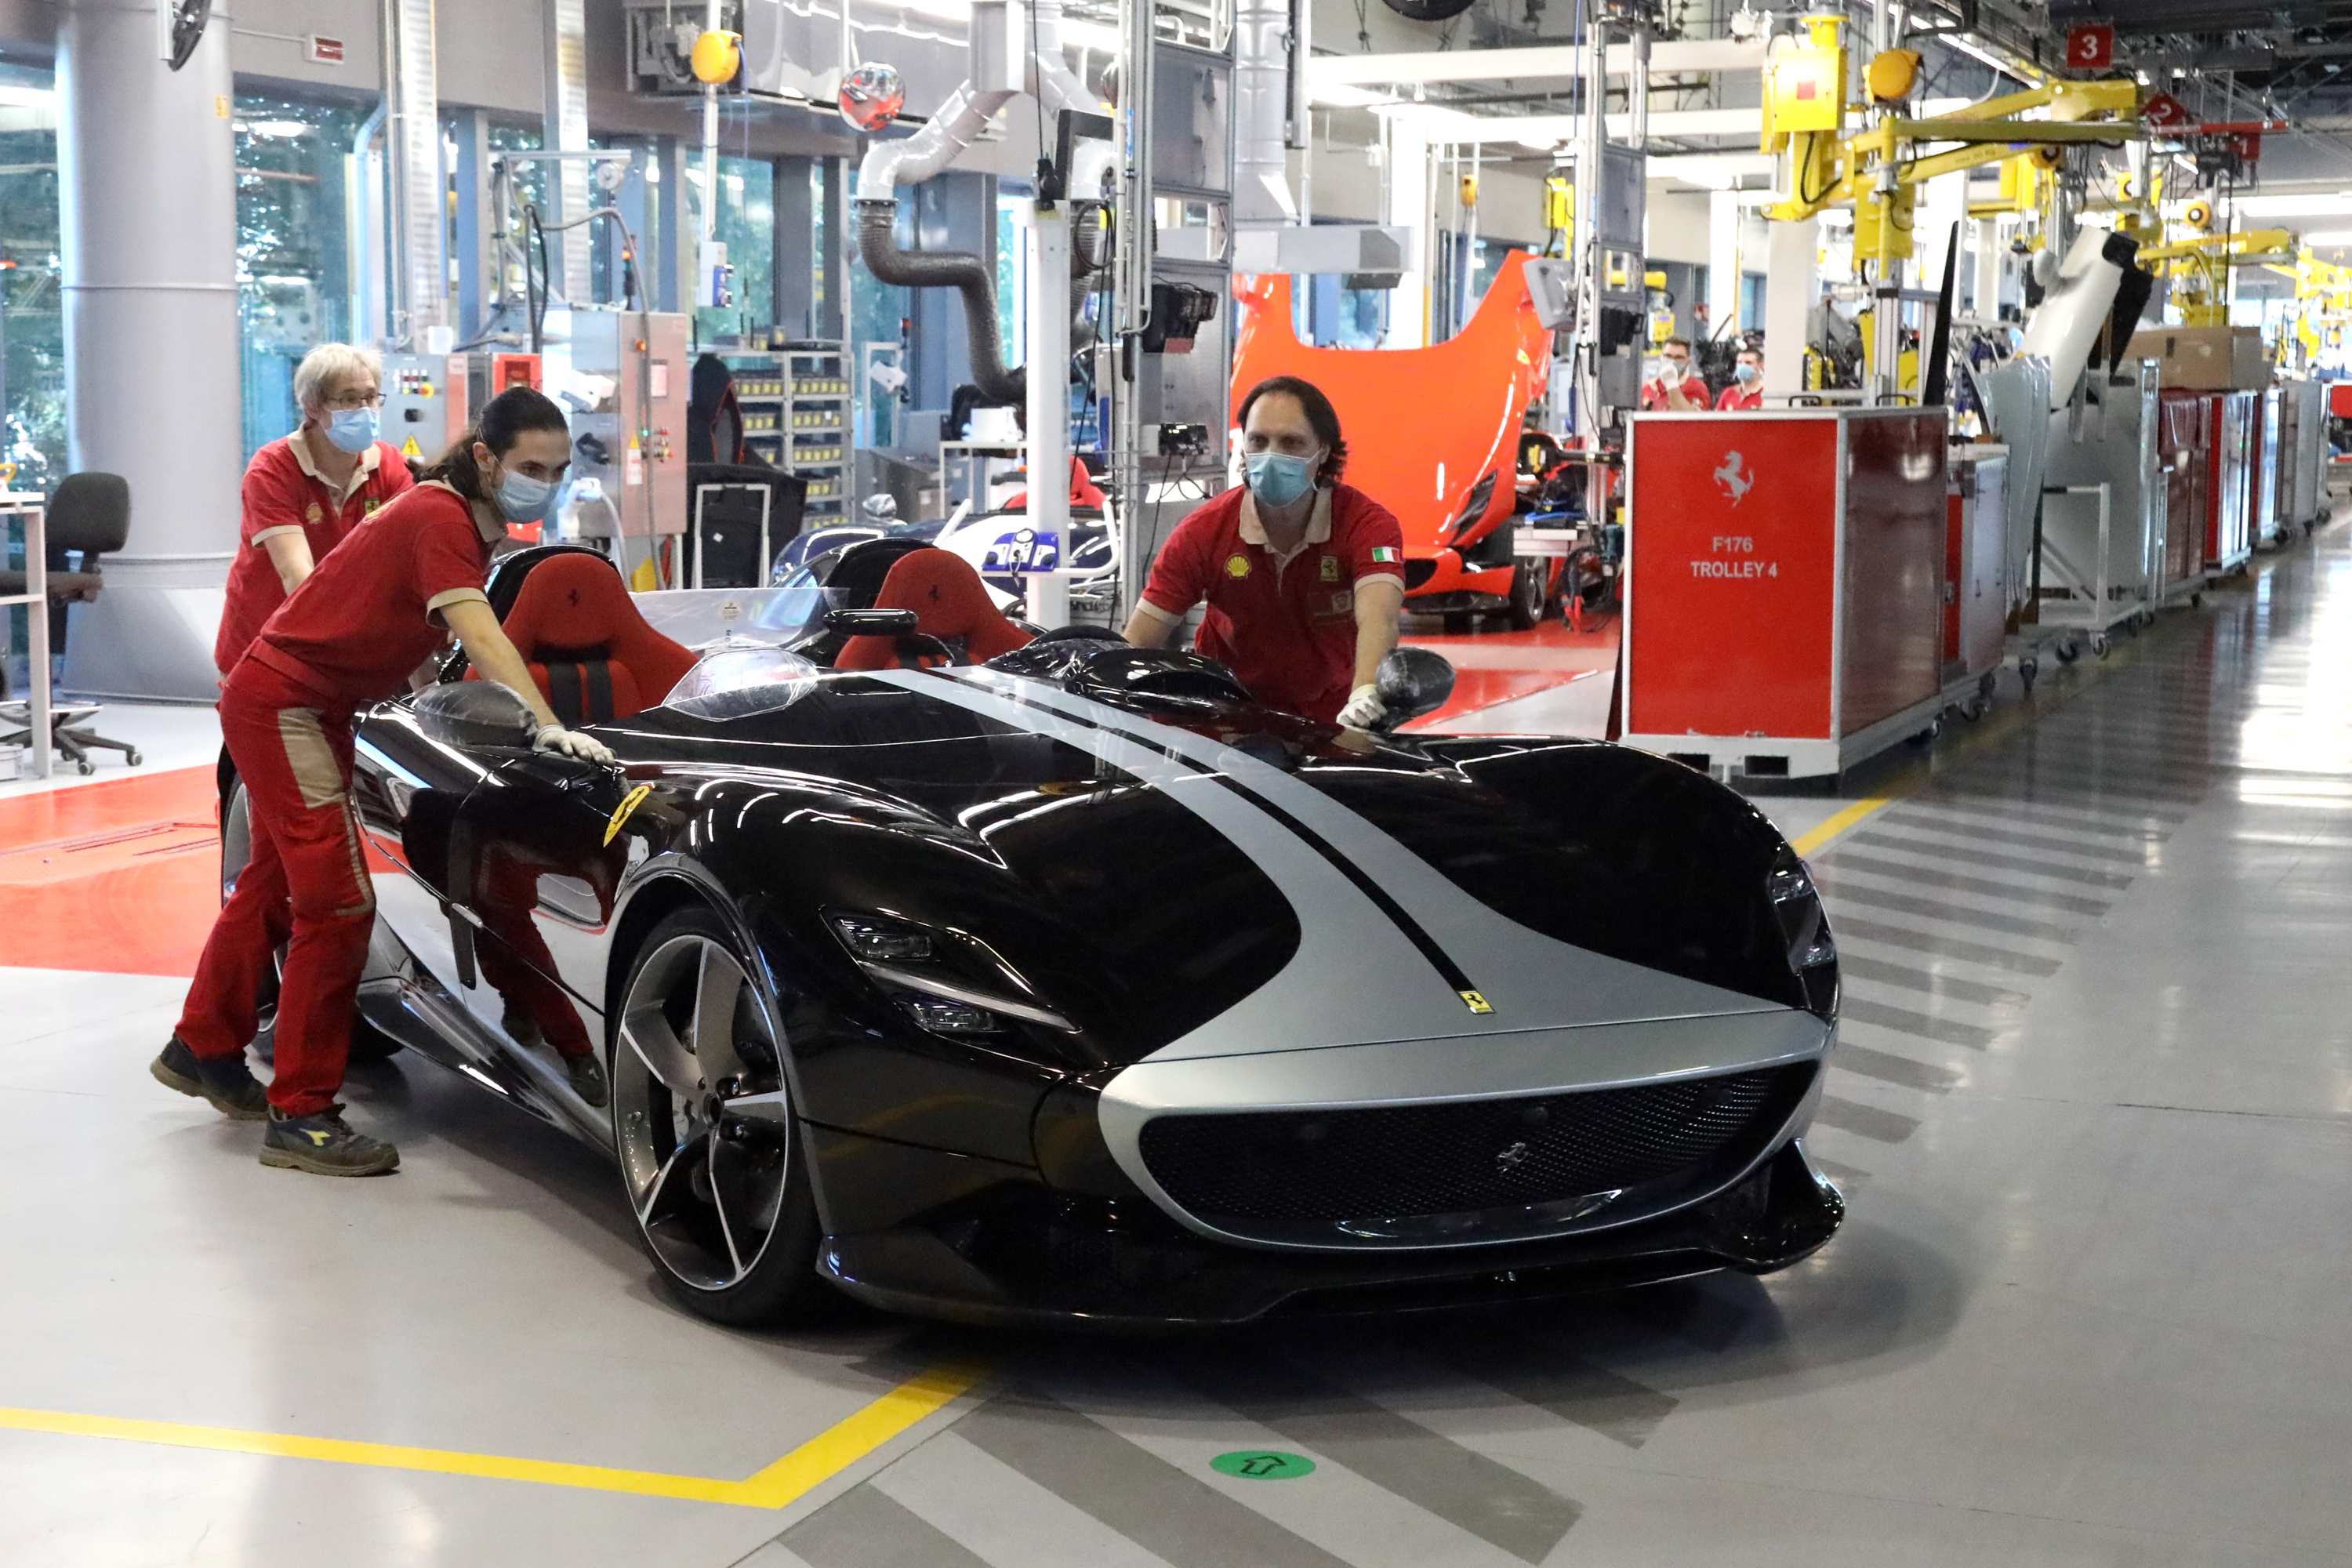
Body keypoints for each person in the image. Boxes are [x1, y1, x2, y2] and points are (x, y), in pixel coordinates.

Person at [150, 388, 618, 1175]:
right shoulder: (441, 518)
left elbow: (416, 632)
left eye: (557, 470)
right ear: (485, 458)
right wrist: (545, 722)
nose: (545, 483)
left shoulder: (458, 521)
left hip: (311, 705)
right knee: (338, 904)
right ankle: (302, 1113)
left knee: (273, 882)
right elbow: (479, 632)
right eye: (531, 467)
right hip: (289, 706)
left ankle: (203, 1044)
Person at [1123, 375, 1406, 728]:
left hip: (1334, 721)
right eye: (1258, 440)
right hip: (1226, 718)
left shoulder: (1366, 525)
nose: (1272, 456)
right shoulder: (1203, 531)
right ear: (1243, 447)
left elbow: (1380, 619)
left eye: (1291, 442)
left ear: (1323, 451)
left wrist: (1365, 693)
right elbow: (1137, 640)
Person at [214, 344, 413, 677]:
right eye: (349, 399)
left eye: (370, 397)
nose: (365, 410)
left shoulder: (390, 466)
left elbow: (404, 559)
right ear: (312, 407)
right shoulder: (272, 469)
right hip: (263, 645)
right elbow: (297, 574)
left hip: (345, 646)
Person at [1641, 337, 1709, 412]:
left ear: (1688, 361)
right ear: (1661, 358)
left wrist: (1672, 384)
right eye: (1668, 356)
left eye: (1679, 357)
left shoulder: (1697, 387)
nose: (1672, 361)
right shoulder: (1649, 387)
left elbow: (1694, 417)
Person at [1718, 344, 1766, 411]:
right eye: (1739, 363)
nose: (1743, 366)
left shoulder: (1765, 394)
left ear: (1761, 365)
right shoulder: (1728, 393)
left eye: (1748, 363)